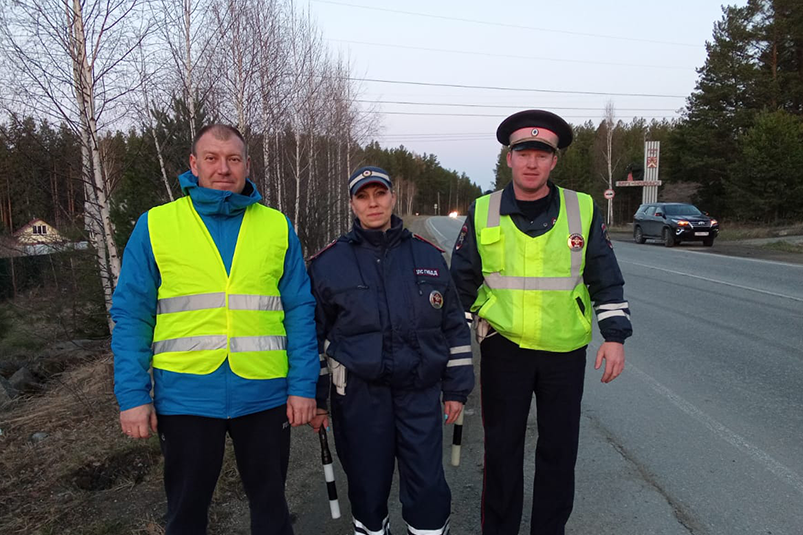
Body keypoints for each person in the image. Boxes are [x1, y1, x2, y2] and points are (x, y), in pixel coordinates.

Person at [111, 124, 318, 535]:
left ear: (246, 165)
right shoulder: (156, 225)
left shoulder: (277, 227)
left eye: (233, 159)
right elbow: (132, 315)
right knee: (186, 515)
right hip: (186, 396)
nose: (223, 168)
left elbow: (299, 310)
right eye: (211, 158)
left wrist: (303, 387)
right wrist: (132, 395)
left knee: (272, 511)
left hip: (264, 394)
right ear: (194, 164)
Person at [450, 110, 632, 535]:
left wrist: (615, 337)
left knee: (559, 452)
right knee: (502, 452)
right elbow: (460, 284)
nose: (532, 163)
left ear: (554, 161)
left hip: (564, 352)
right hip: (504, 349)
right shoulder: (482, 211)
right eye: (523, 153)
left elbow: (604, 275)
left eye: (542, 154)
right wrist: (450, 351)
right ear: (508, 158)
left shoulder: (581, 208)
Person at [307, 166, 474, 535]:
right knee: (367, 488)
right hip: (360, 398)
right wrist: (317, 401)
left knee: (428, 488)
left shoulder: (429, 257)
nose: (373, 203)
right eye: (363, 196)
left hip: (419, 392)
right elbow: (314, 337)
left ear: (392, 197)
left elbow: (452, 326)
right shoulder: (328, 264)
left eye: (379, 194)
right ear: (352, 203)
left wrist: (457, 388)